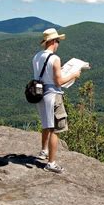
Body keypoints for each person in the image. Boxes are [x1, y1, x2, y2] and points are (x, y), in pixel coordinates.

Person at [32, 28, 81, 173]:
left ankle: (43, 151)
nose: (58, 44)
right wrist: (74, 75)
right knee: (56, 129)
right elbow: (59, 81)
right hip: (53, 95)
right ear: (53, 42)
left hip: (40, 94)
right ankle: (51, 163)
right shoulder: (55, 58)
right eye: (58, 41)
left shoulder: (36, 56)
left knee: (46, 124)